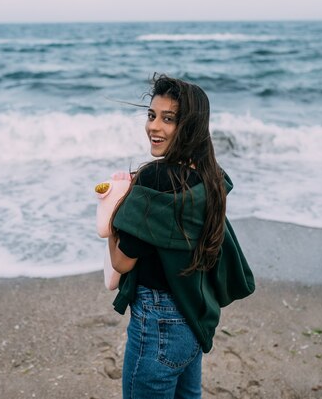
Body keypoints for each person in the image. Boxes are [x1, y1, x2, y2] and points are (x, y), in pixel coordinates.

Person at [107, 74, 255, 399]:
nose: (153, 127)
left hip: (157, 323)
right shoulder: (210, 176)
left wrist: (115, 210)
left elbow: (121, 261)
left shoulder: (156, 178)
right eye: (151, 115)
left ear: (189, 126)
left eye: (168, 119)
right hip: (192, 316)